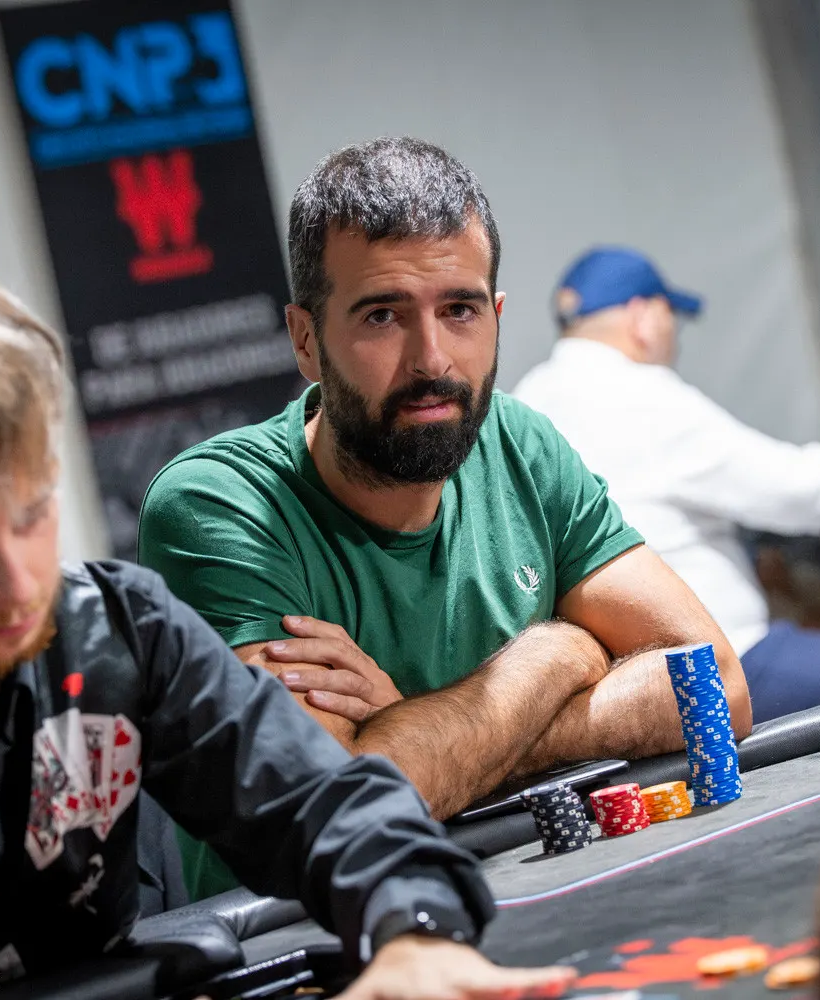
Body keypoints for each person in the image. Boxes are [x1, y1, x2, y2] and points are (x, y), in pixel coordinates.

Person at [0, 257, 578, 999]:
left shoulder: (119, 631)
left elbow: (328, 805)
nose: (16, 583)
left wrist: (415, 933)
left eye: (31, 514)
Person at [138, 137, 752, 901]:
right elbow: (336, 814)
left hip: (532, 895)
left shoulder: (519, 443)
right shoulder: (219, 504)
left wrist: (425, 728)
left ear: (496, 317)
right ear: (306, 340)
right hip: (317, 936)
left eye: (459, 310)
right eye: (382, 316)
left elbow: (719, 687)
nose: (432, 359)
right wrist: (555, 654)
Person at [512, 248, 820, 723]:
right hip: (716, 666)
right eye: (672, 319)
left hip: (614, 687)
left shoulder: (525, 406)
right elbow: (794, 493)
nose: (675, 338)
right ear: (643, 317)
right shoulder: (643, 394)